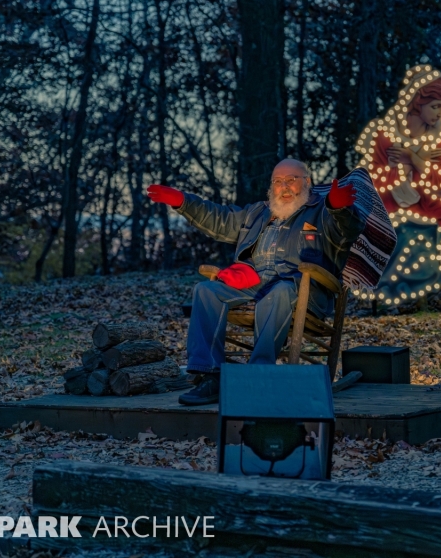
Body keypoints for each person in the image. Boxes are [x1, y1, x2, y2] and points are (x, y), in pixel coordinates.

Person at [147, 159, 366, 405]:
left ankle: (257, 374)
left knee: (280, 291)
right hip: (253, 283)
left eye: (291, 180)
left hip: (300, 288)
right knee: (206, 290)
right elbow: (219, 218)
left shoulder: (321, 212)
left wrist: (339, 208)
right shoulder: (256, 213)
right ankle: (210, 376)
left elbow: (346, 230)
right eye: (278, 181)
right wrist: (183, 201)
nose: (284, 186)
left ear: (307, 182)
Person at [355, 65, 441, 304]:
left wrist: (416, 161)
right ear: (416, 103)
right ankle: (371, 279)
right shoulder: (384, 134)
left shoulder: (438, 139)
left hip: (422, 199)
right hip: (389, 198)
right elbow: (373, 178)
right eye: (435, 106)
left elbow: (440, 179)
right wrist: (395, 171)